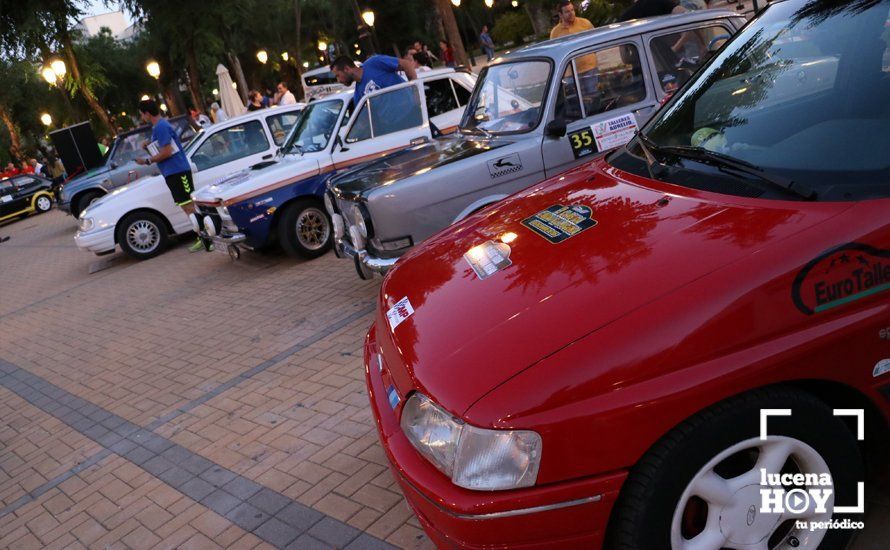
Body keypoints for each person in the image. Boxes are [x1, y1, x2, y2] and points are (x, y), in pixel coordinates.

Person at [134, 99, 209, 253]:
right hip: (172, 172)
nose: (142, 117)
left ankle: (206, 239)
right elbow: (162, 150)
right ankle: (202, 236)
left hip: (178, 171)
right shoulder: (158, 127)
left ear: (147, 113)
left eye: (142, 114)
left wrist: (147, 161)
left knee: (189, 206)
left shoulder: (161, 127)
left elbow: (167, 152)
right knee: (186, 206)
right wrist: (149, 147)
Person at [330, 54, 417, 108]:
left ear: (346, 69)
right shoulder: (358, 94)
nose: (338, 80)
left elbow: (406, 64)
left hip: (413, 112)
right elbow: (364, 122)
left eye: (338, 75)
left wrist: (416, 92)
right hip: (396, 128)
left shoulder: (374, 63)